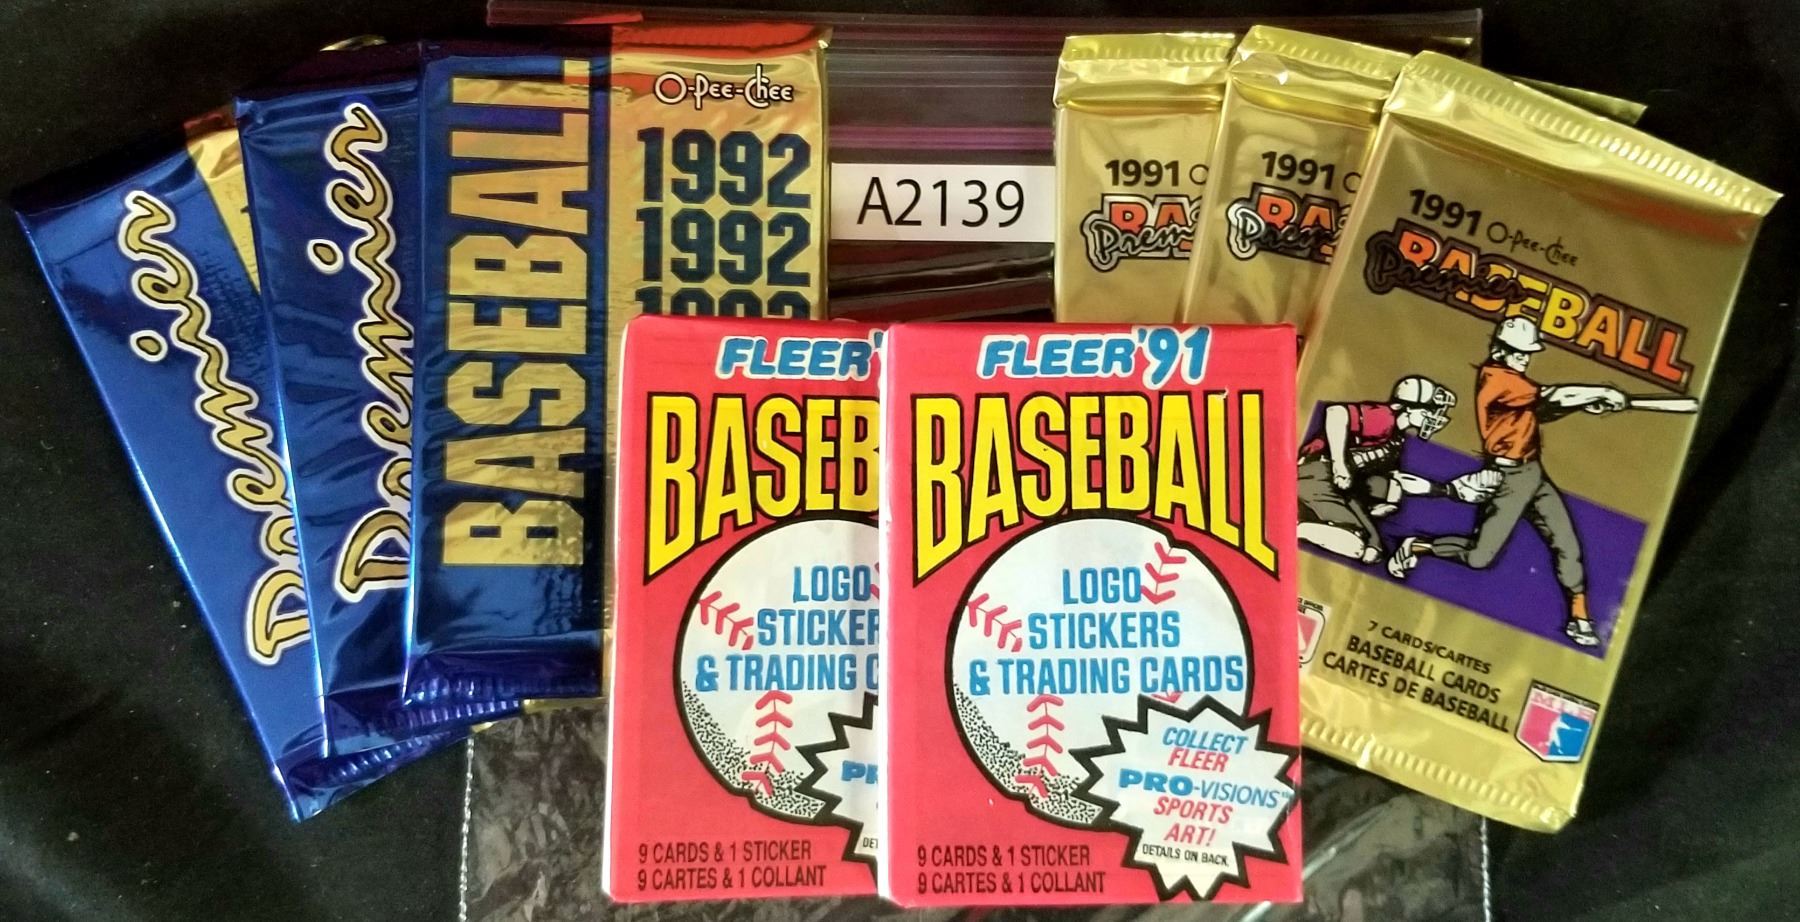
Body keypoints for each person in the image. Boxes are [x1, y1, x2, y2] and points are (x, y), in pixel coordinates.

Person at [1386, 317, 1627, 647]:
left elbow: (1543, 410)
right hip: (1506, 478)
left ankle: (1580, 618)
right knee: (1479, 557)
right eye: (1519, 353)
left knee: (1567, 544)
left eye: (1527, 354)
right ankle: (1416, 546)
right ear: (1501, 350)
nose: (1525, 359)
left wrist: (1587, 404)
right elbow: (1554, 396)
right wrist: (1601, 392)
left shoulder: (1516, 383)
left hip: (1533, 473)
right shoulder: (1497, 378)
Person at [1298, 375, 1497, 565]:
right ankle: (1294, 527)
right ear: (1408, 408)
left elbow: (1397, 480)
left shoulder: (1395, 439)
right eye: (1429, 411)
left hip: (1343, 485)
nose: (1434, 417)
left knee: (1373, 551)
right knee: (1356, 545)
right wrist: (1339, 464)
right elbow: (1336, 413)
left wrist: (1447, 490)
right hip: (1317, 473)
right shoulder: (1384, 417)